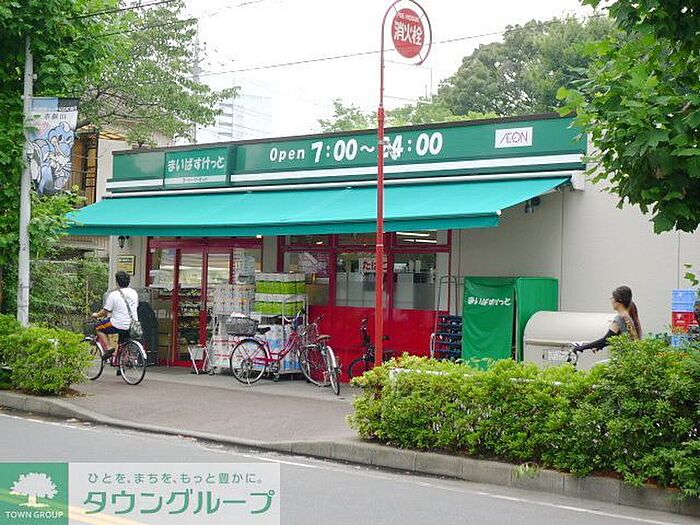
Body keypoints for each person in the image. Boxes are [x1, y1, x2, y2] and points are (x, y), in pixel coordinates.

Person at [574, 285, 642, 352]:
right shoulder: (627, 316)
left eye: (612, 298)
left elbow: (606, 340)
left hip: (624, 356)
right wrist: (599, 347)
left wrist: (582, 347)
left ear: (619, 300)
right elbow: (612, 338)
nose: (611, 300)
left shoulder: (620, 318)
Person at [92, 271, 139, 361]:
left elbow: (105, 311)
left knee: (98, 328)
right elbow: (135, 307)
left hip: (118, 324)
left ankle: (109, 348)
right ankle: (122, 362)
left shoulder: (114, 294)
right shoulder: (134, 293)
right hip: (132, 324)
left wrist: (96, 315)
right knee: (122, 342)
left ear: (117, 282)